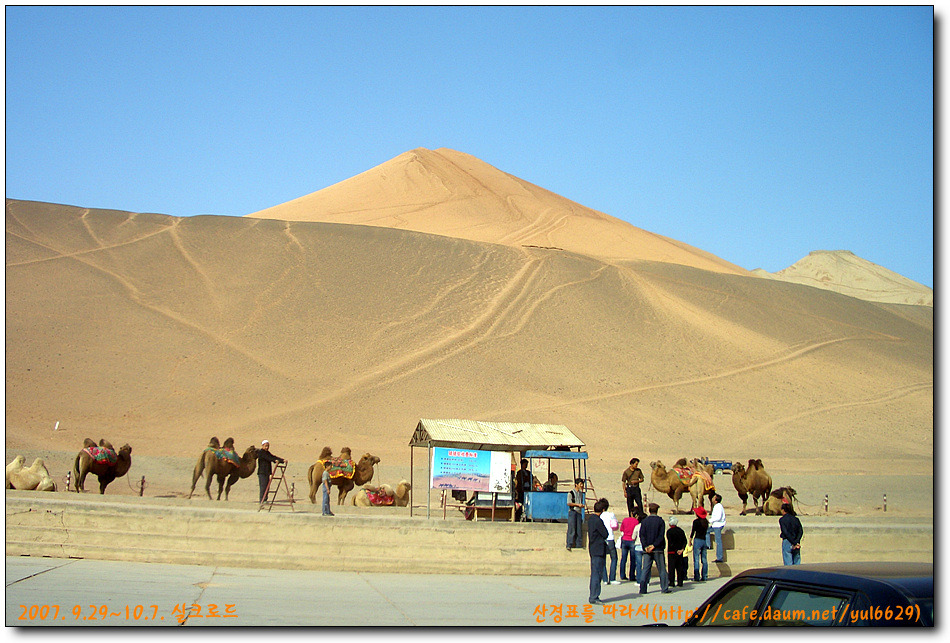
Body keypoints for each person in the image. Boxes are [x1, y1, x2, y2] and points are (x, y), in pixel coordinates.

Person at [638, 503, 670, 594]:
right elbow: (661, 536)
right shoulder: (660, 521)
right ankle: (664, 588)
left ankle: (643, 589)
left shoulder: (644, 521)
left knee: (645, 569)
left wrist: (646, 546)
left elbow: (642, 535)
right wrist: (654, 545)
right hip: (658, 548)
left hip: (647, 549)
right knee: (662, 569)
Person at [587, 498, 610, 605]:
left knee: (594, 572)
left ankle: (593, 594)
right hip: (598, 549)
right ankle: (594, 596)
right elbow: (605, 534)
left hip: (593, 548)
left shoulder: (591, 519)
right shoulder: (598, 521)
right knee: (597, 573)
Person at [599, 499, 621, 585]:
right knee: (614, 558)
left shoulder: (600, 516)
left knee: (603, 559)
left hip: (602, 539)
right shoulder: (611, 515)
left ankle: (605, 579)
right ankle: (612, 578)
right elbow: (615, 526)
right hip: (610, 538)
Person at [666, 517, 688, 587]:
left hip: (672, 552)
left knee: (671, 568)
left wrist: (675, 550)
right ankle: (680, 582)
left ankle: (672, 582)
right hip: (680, 552)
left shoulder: (669, 532)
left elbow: (671, 542)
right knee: (679, 567)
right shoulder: (681, 531)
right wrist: (681, 549)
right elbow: (685, 540)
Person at [618, 511, 639, 582]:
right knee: (633, 559)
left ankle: (622, 574)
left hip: (624, 539)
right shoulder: (636, 522)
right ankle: (632, 575)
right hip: (632, 540)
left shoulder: (625, 520)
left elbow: (622, 529)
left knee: (623, 558)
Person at [690, 506, 710, 581]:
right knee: (704, 559)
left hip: (697, 540)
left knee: (696, 559)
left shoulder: (695, 522)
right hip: (704, 540)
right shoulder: (706, 522)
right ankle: (704, 576)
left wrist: (690, 540)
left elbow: (693, 531)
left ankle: (697, 576)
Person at [566, 478, 585, 550]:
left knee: (579, 529)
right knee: (572, 529)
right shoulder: (571, 493)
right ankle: (569, 544)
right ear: (576, 485)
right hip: (573, 512)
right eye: (580, 484)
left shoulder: (580, 493)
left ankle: (579, 545)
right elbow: (569, 503)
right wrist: (577, 505)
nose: (582, 485)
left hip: (579, 512)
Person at [707, 494, 726, 562]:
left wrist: (709, 521)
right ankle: (708, 545)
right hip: (715, 525)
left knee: (718, 541)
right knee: (706, 531)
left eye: (713, 498)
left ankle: (719, 557)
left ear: (716, 500)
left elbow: (718, 517)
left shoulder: (718, 507)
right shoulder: (716, 506)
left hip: (718, 525)